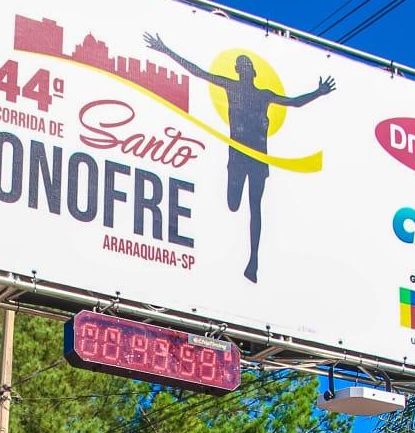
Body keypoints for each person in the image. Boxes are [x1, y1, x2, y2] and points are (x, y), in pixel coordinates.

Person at [143, 31, 335, 282]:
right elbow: (199, 72)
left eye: (246, 67)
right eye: (240, 67)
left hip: (257, 158)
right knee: (232, 204)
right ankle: (236, 252)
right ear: (237, 71)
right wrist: (165, 50)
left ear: (253, 72)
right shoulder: (231, 86)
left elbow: (294, 102)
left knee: (255, 207)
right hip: (237, 157)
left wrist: (318, 92)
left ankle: (253, 261)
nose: (243, 71)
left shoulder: (264, 94)